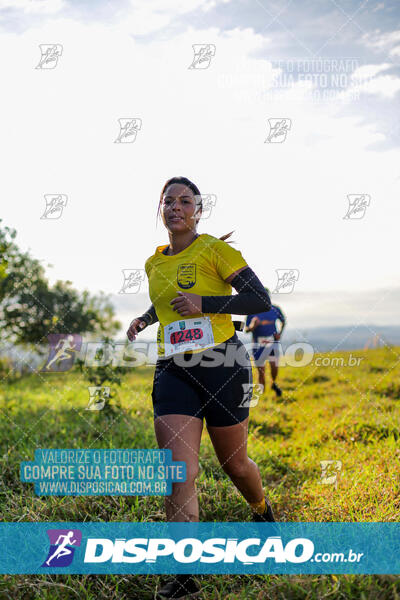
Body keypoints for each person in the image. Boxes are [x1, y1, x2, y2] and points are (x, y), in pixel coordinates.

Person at [127, 176, 275, 599]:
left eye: (185, 201)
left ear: (198, 210)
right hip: (174, 370)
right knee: (179, 474)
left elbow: (259, 298)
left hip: (224, 365)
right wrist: (145, 319)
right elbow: (165, 302)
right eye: (168, 201)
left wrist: (205, 305)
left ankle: (262, 512)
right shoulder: (153, 263)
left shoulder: (215, 249)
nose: (175, 207)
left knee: (235, 465)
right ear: (161, 209)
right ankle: (185, 575)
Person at [244, 299, 286, 397]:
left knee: (274, 366)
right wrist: (252, 326)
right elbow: (246, 329)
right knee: (261, 371)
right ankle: (262, 395)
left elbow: (283, 321)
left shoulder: (275, 309)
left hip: (272, 343)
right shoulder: (251, 312)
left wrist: (279, 334)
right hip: (258, 345)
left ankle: (273, 384)